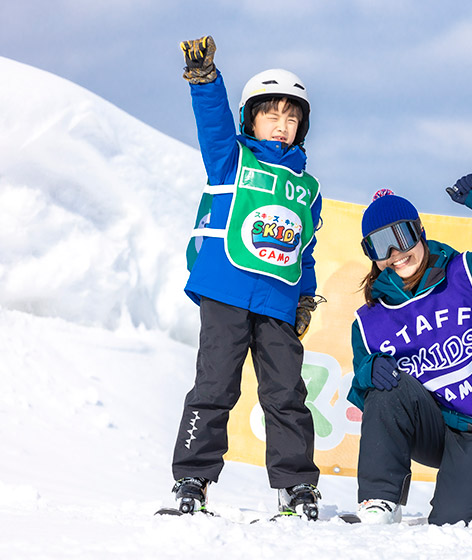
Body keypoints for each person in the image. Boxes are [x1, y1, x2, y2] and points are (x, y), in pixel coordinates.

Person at [168, 36, 323, 520]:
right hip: (226, 290)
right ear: (251, 118)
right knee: (215, 387)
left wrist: (304, 298)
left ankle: (296, 489)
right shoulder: (230, 160)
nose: (282, 126)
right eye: (272, 115)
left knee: (286, 395)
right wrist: (205, 78)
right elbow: (212, 122)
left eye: (292, 117)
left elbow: (306, 247)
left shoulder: (309, 187)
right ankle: (192, 480)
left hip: (278, 300)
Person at [347, 174, 472, 525]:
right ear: (371, 256)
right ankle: (380, 501)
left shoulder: (469, 273)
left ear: (419, 232)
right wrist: (368, 370)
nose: (395, 253)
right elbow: (365, 386)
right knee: (384, 387)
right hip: (434, 424)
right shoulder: (370, 320)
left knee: (453, 524)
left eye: (401, 237)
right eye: (381, 246)